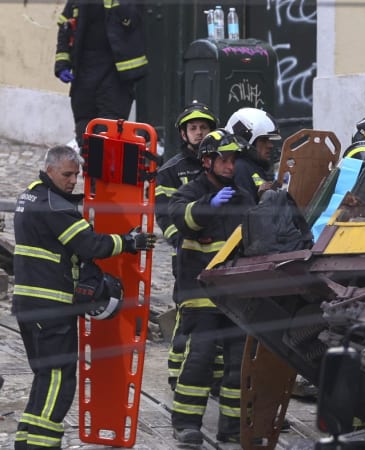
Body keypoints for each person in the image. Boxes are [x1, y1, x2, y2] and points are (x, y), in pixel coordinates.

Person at [12, 145, 155, 450]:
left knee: (43, 377)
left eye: (77, 174)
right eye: (67, 174)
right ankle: (40, 445)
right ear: (49, 169)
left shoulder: (30, 195)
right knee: (59, 380)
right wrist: (129, 242)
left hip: (29, 304)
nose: (73, 180)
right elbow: (90, 244)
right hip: (51, 306)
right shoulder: (53, 205)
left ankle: (25, 441)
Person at [168, 129, 254, 445]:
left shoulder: (244, 197)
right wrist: (209, 205)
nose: (231, 166)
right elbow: (179, 219)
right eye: (225, 159)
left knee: (237, 364)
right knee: (199, 358)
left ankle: (231, 426)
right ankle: (186, 424)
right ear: (207, 161)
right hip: (200, 296)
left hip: (235, 298)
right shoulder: (189, 193)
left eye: (234, 160)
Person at [155, 101, 218, 390]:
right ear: (183, 134)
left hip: (218, 252)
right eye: (192, 128)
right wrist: (179, 241)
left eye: (203, 127)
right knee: (187, 313)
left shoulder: (222, 165)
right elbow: (163, 211)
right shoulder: (171, 170)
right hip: (188, 254)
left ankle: (215, 374)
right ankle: (175, 371)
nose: (198, 132)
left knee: (219, 312)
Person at [54, 0, 148, 147]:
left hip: (116, 76)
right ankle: (89, 167)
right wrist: (62, 64)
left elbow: (131, 20)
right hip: (84, 75)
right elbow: (65, 28)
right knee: (84, 134)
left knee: (108, 135)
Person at [225, 107, 282, 202]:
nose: (270, 145)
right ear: (246, 140)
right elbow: (245, 211)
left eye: (269, 140)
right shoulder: (241, 168)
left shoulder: (252, 167)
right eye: (264, 140)